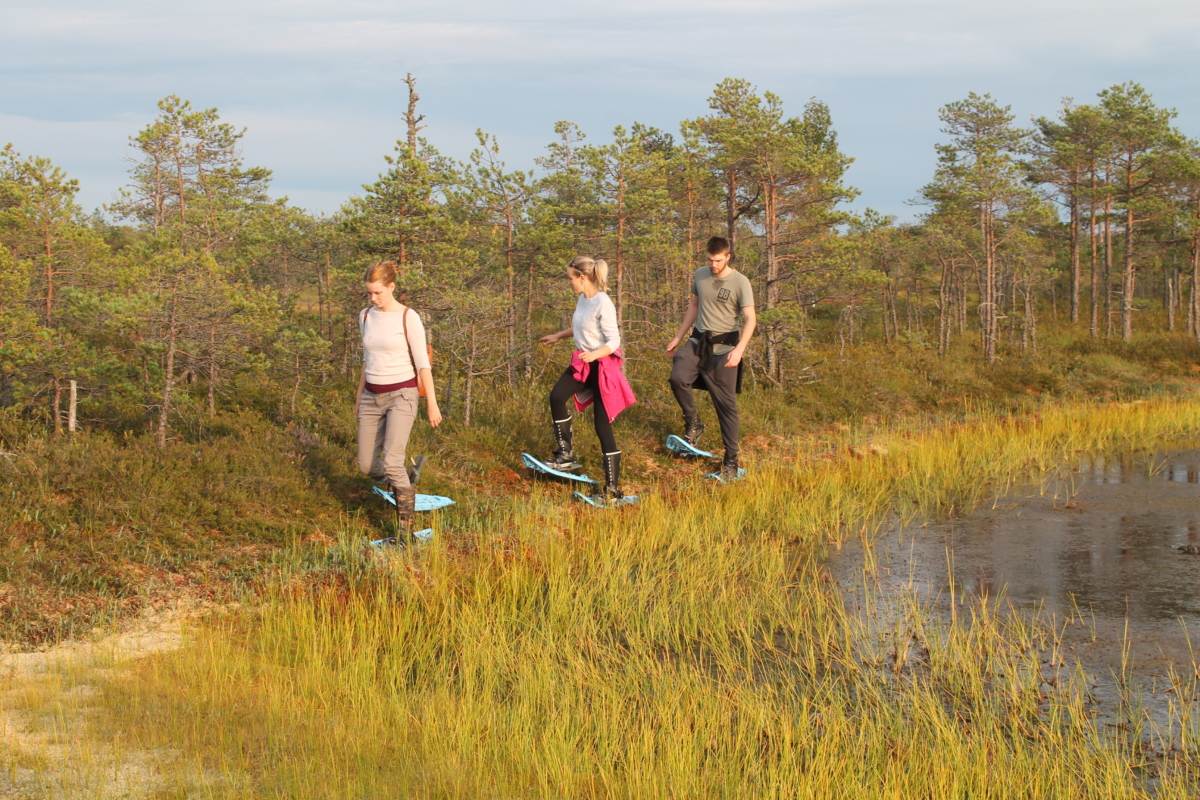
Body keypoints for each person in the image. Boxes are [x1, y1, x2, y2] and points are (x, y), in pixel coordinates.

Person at [537, 256, 636, 502]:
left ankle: (612, 489)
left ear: (582, 277)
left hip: (602, 367)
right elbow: (582, 327)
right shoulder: (583, 299)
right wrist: (558, 335)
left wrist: (595, 354)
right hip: (583, 363)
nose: (569, 283)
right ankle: (565, 454)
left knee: (602, 427)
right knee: (557, 396)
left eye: (571, 278)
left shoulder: (604, 303)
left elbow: (614, 341)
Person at [356, 261, 442, 533]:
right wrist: (359, 398)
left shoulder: (408, 317)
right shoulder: (365, 316)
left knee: (392, 459)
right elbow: (366, 359)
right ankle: (406, 475)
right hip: (371, 395)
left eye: (378, 293)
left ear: (391, 287)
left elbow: (422, 364)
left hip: (401, 396)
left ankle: (404, 531)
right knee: (366, 466)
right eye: (369, 293)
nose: (373, 298)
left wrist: (432, 404)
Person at [666, 236, 756, 480]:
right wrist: (678, 337)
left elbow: (751, 320)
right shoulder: (701, 274)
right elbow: (694, 306)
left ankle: (731, 461)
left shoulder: (740, 282)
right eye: (709, 259)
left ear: (728, 257)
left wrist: (739, 351)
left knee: (725, 406)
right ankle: (694, 423)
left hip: (725, 348)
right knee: (678, 377)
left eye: (718, 260)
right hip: (698, 342)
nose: (713, 265)